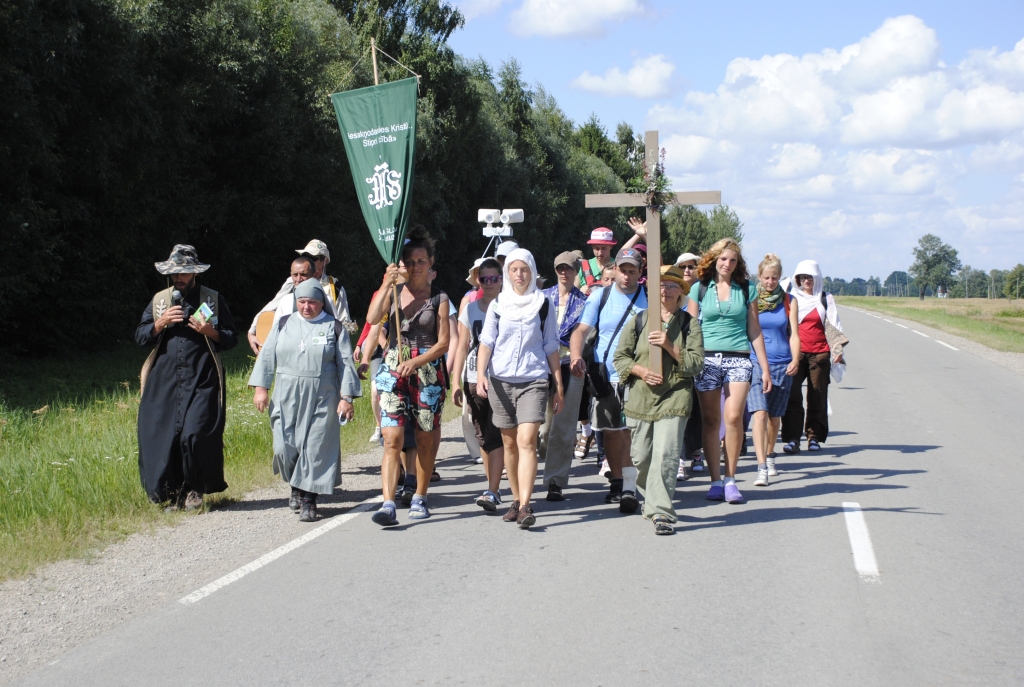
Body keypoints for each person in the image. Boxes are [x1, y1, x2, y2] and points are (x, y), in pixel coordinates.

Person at [248, 280, 361, 521]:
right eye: (301, 301)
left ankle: (309, 499)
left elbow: (345, 363)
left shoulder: (334, 327)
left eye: (312, 302)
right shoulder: (283, 323)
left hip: (323, 394)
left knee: (316, 447)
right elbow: (266, 356)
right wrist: (261, 388)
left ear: (322, 303)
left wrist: (346, 397)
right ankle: (296, 485)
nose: (306, 307)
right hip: (286, 394)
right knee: (284, 447)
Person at [136, 245, 237, 511]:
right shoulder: (161, 300)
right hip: (165, 381)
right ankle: (173, 494)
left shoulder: (211, 299)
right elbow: (141, 336)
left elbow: (231, 338)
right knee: (165, 437)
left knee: (195, 434)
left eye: (184, 272)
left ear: (194, 273)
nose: (178, 277)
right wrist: (160, 323)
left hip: (202, 377)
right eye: (175, 273)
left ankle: (195, 490)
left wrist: (210, 331)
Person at [366, 227, 450, 526]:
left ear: (430, 263)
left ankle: (420, 497)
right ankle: (388, 503)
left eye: (421, 261)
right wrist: (386, 283)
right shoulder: (393, 293)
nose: (415, 266)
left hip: (427, 371)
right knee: (392, 439)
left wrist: (417, 361)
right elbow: (372, 319)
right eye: (410, 261)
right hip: (393, 368)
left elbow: (444, 343)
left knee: (425, 440)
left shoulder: (439, 297)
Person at [476, 248, 563, 529]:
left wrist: (558, 385)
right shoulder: (498, 305)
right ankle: (515, 499)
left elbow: (551, 344)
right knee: (510, 443)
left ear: (532, 271)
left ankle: (525, 505)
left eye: (524, 269)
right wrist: (480, 374)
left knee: (527, 440)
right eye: (514, 269)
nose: (519, 274)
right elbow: (487, 341)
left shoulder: (544, 304)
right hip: (500, 381)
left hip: (533, 379)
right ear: (507, 273)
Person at [614, 265, 704, 533]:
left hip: (675, 396)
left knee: (666, 455)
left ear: (681, 292)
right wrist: (641, 371)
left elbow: (696, 363)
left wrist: (669, 345)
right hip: (641, 398)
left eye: (673, 285)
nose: (666, 290)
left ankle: (661, 512)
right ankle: (652, 498)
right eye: (661, 285)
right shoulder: (639, 320)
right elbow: (620, 357)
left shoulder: (689, 323)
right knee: (641, 457)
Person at [692, 238, 771, 504]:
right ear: (714, 259)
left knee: (734, 416)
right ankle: (715, 480)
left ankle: (730, 479)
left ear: (738, 263)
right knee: (711, 420)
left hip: (738, 358)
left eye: (733, 260)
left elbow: (754, 330)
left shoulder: (747, 289)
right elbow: (691, 328)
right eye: (723, 259)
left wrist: (765, 368)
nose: (727, 264)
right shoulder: (700, 288)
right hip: (706, 359)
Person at [570, 247, 648, 510]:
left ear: (640, 272)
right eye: (622, 270)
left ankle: (629, 487)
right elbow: (581, 331)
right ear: (615, 269)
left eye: (632, 271)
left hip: (637, 376)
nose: (626, 276)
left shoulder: (649, 298)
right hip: (605, 376)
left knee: (630, 433)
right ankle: (617, 481)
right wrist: (576, 356)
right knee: (612, 433)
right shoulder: (600, 297)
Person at [451, 258, 506, 511]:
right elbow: (462, 347)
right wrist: (456, 382)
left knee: (497, 434)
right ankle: (492, 485)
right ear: (478, 281)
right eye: (484, 279)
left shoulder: (509, 307)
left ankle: (493, 489)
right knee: (483, 435)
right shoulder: (470, 310)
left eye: (494, 278)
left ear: (502, 279)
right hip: (473, 378)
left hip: (502, 378)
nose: (489, 283)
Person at [538, 251, 590, 501]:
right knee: (544, 429)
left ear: (575, 270)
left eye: (568, 268)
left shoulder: (585, 302)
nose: (563, 272)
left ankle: (555, 481)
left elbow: (587, 333)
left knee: (564, 426)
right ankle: (540, 466)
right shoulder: (542, 297)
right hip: (542, 365)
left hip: (571, 365)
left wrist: (579, 356)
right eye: (560, 268)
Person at [747, 254, 800, 486]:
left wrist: (796, 359)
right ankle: (761, 467)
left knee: (773, 417)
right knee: (759, 413)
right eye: (767, 277)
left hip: (782, 363)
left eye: (775, 278)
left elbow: (794, 334)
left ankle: (770, 455)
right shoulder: (751, 299)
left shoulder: (789, 301)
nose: (770, 282)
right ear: (759, 277)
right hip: (756, 362)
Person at [781, 259, 843, 453]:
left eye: (810, 277)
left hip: (820, 354)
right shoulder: (791, 298)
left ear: (817, 278)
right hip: (795, 354)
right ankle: (793, 438)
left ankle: (814, 437)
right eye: (802, 278)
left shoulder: (825, 298)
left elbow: (834, 325)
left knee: (817, 396)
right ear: (797, 279)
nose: (806, 281)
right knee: (792, 396)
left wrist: (837, 350)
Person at [246, 256, 317, 354]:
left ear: (324, 261)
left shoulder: (332, 286)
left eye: (315, 258)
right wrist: (251, 332)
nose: (298, 279)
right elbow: (271, 307)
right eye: (295, 275)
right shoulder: (288, 292)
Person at [674, 252, 703, 480]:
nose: (687, 270)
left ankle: (696, 451)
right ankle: (681, 458)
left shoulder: (705, 291)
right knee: (681, 407)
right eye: (682, 266)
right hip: (677, 356)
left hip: (703, 356)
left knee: (699, 410)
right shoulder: (674, 292)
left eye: (691, 266)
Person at [577, 228, 616, 295]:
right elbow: (572, 293)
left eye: (604, 248)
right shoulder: (583, 266)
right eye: (597, 248)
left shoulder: (618, 266)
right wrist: (579, 292)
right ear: (592, 247)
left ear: (611, 246)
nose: (600, 253)